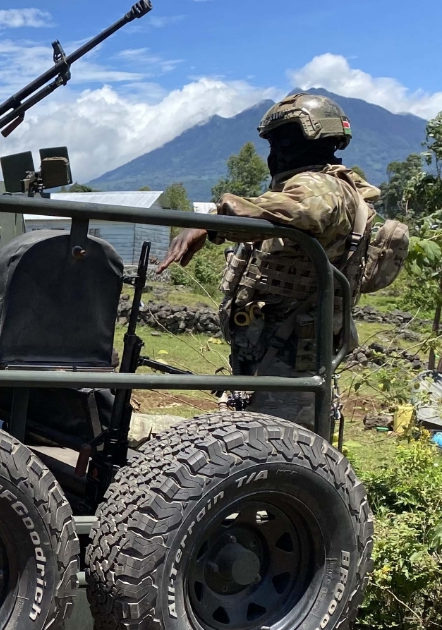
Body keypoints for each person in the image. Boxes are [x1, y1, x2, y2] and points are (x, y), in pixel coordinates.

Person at [159, 93, 380, 427]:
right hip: (274, 352)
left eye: (285, 141)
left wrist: (215, 220)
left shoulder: (321, 186)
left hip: (288, 360)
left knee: (275, 459)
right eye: (274, 143)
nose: (276, 153)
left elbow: (305, 209)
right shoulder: (320, 186)